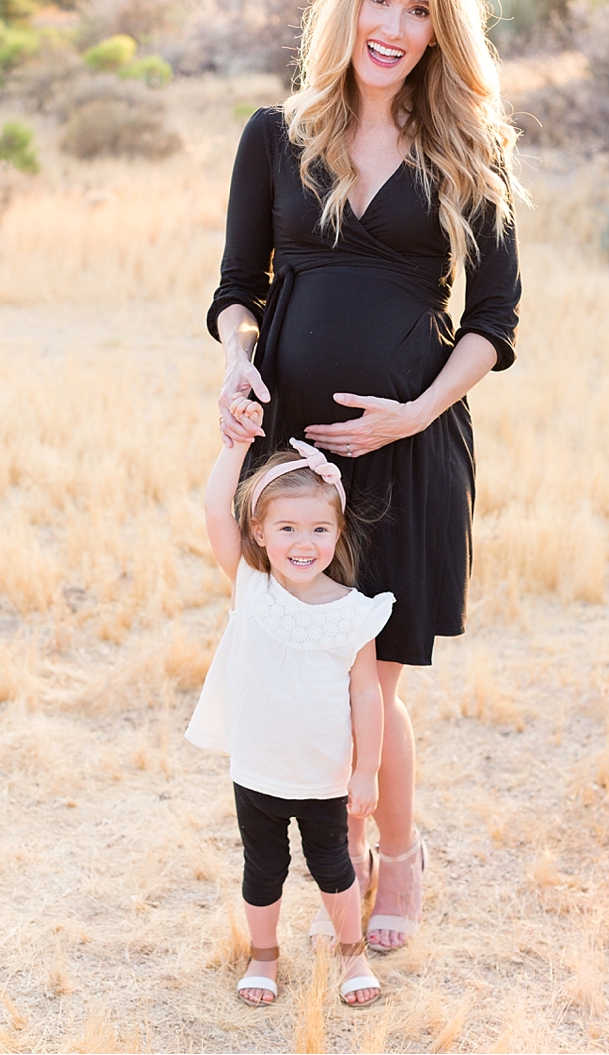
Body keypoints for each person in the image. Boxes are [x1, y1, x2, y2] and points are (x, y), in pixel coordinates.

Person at [209, 0, 523, 953]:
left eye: (419, 9)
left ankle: (394, 856)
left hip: (405, 451)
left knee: (368, 675)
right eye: (380, 1)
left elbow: (491, 322)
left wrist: (412, 411)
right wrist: (238, 362)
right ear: (349, 8)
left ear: (439, 31)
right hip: (290, 462)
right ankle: (331, 843)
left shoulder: (467, 149)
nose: (392, 26)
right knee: (301, 669)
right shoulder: (273, 134)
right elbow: (234, 291)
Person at [187, 407, 391, 1007]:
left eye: (319, 530)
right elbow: (211, 509)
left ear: (337, 531)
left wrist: (365, 769)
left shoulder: (354, 613)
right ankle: (264, 956)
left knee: (334, 866)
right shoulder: (251, 587)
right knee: (263, 868)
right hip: (257, 768)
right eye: (287, 530)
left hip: (323, 774)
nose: (304, 544)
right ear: (258, 532)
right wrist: (236, 445)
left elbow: (366, 694)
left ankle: (351, 958)